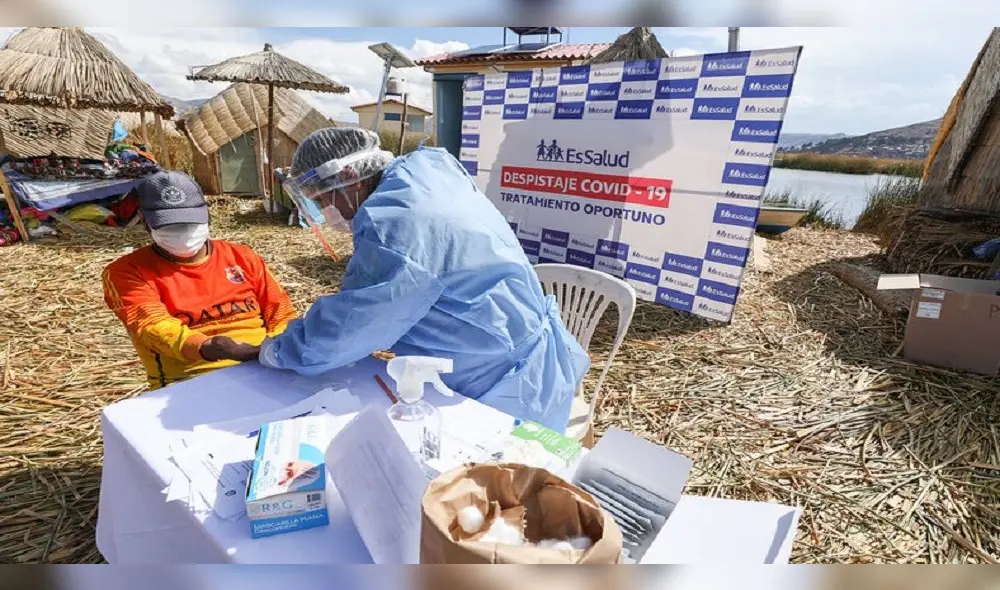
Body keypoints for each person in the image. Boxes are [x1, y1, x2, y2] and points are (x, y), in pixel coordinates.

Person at [255, 127, 590, 432]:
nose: (326, 210)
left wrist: (275, 351)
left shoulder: (396, 224)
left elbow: (351, 327)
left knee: (503, 483)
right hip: (523, 349)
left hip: (498, 381)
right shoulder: (427, 172)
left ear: (350, 175)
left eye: (323, 199)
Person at [102, 171, 297, 389]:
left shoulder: (242, 257)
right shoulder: (126, 272)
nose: (182, 232)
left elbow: (280, 312)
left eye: (189, 223)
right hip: (191, 381)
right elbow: (153, 327)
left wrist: (273, 351)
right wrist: (209, 347)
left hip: (265, 366)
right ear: (146, 223)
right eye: (168, 225)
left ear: (207, 217)